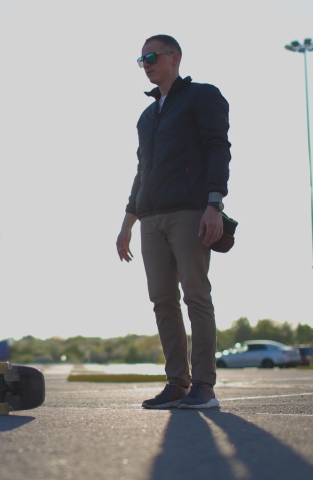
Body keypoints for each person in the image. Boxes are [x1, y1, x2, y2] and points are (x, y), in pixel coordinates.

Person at [117, 34, 231, 409]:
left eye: (151, 56)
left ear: (174, 58)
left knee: (196, 295)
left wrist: (214, 203)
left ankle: (204, 386)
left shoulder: (203, 96)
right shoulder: (147, 116)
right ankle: (177, 383)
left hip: (189, 211)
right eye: (141, 59)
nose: (146, 63)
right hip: (150, 216)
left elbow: (218, 147)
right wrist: (127, 222)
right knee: (162, 301)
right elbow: (142, 170)